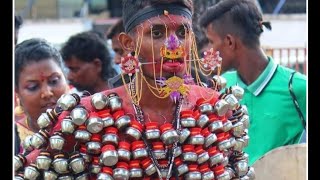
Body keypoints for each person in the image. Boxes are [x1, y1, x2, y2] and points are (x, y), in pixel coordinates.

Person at [15, 1, 255, 179]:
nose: (173, 47)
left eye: (182, 33)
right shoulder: (89, 117)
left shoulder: (216, 111)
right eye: (157, 33)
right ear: (128, 44)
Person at [199, 0, 306, 165]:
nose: (207, 51)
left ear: (229, 42)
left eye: (211, 42)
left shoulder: (298, 88)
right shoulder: (219, 88)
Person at [14, 38, 70, 154]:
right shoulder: (16, 140)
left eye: (54, 81)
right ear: (17, 92)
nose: (47, 93)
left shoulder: (92, 124)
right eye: (33, 87)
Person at [60, 30, 118, 95]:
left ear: (97, 65)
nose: (69, 77)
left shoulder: (126, 94)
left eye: (75, 70)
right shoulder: (73, 98)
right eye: (69, 70)